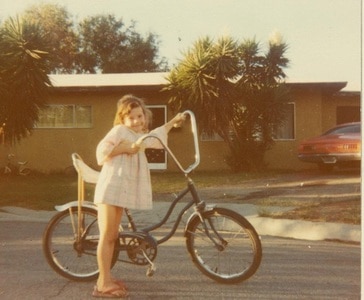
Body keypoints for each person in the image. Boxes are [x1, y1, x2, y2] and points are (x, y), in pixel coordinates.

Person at [92, 94, 185, 298]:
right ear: (123, 119)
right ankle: (102, 284)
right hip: (111, 188)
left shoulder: (139, 134)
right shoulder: (119, 131)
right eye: (131, 117)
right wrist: (124, 148)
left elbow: (155, 137)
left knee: (113, 236)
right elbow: (101, 151)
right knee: (107, 236)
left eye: (140, 116)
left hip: (119, 190)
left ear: (145, 116)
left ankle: (106, 276)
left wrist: (172, 122)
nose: (137, 121)